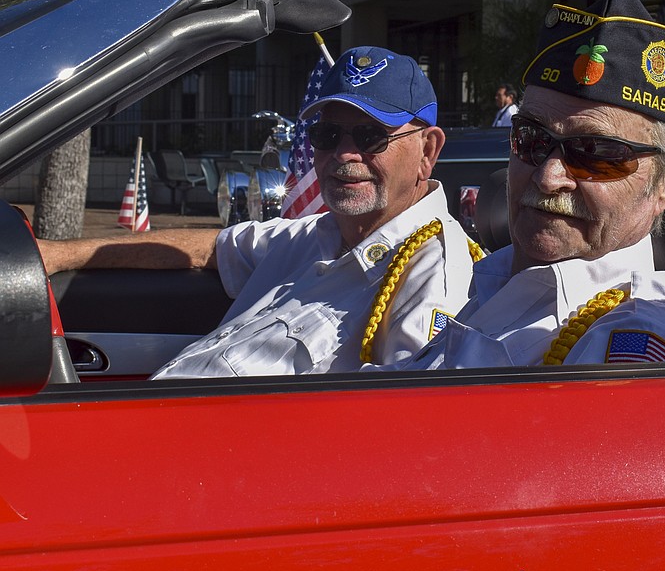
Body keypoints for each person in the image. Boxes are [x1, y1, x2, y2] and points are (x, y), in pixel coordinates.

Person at [40, 46, 478, 377]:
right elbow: (205, 249)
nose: (344, 154)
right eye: (327, 134)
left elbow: (397, 431)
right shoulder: (314, 236)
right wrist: (57, 255)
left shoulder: (431, 277)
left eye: (369, 136)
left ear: (428, 150)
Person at [383, 0, 665, 370]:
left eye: (594, 152)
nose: (547, 176)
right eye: (531, 139)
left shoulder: (632, 341)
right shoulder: (491, 278)